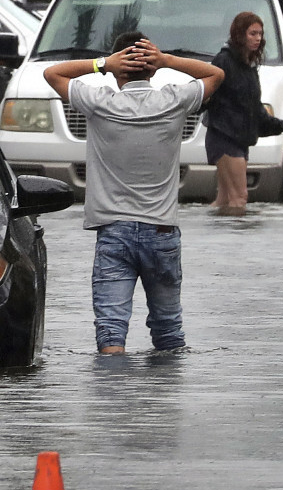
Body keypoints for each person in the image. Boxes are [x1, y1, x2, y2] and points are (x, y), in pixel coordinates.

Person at [43, 32, 224, 354]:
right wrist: (167, 59)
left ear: (116, 69)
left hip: (114, 233)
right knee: (169, 329)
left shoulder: (99, 102)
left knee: (111, 332)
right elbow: (216, 74)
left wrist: (102, 64)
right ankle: (166, 400)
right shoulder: (174, 99)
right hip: (162, 231)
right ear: (152, 70)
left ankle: (113, 398)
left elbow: (52, 73)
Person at [206, 11, 283, 215]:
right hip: (224, 137)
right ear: (240, 35)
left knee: (224, 199)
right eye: (252, 34)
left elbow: (254, 109)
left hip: (239, 139)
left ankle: (217, 238)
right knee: (239, 198)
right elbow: (207, 95)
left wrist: (282, 126)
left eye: (260, 34)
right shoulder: (223, 62)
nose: (258, 38)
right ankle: (238, 243)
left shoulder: (248, 67)